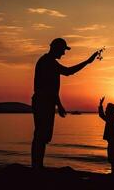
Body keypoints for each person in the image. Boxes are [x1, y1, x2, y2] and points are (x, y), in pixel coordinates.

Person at [31, 38, 98, 169]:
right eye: (63, 50)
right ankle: (37, 166)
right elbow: (67, 72)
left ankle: (37, 165)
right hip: (43, 103)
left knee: (42, 136)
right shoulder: (48, 62)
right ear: (56, 48)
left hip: (44, 102)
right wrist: (88, 62)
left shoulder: (48, 62)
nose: (64, 53)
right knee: (41, 136)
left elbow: (52, 88)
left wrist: (59, 105)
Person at [98, 96, 114, 173]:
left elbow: (101, 115)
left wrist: (100, 105)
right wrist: (100, 105)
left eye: (107, 109)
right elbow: (102, 115)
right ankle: (113, 174)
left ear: (110, 111)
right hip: (113, 142)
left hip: (113, 142)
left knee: (113, 160)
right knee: (113, 160)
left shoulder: (111, 119)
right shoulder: (112, 119)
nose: (105, 110)